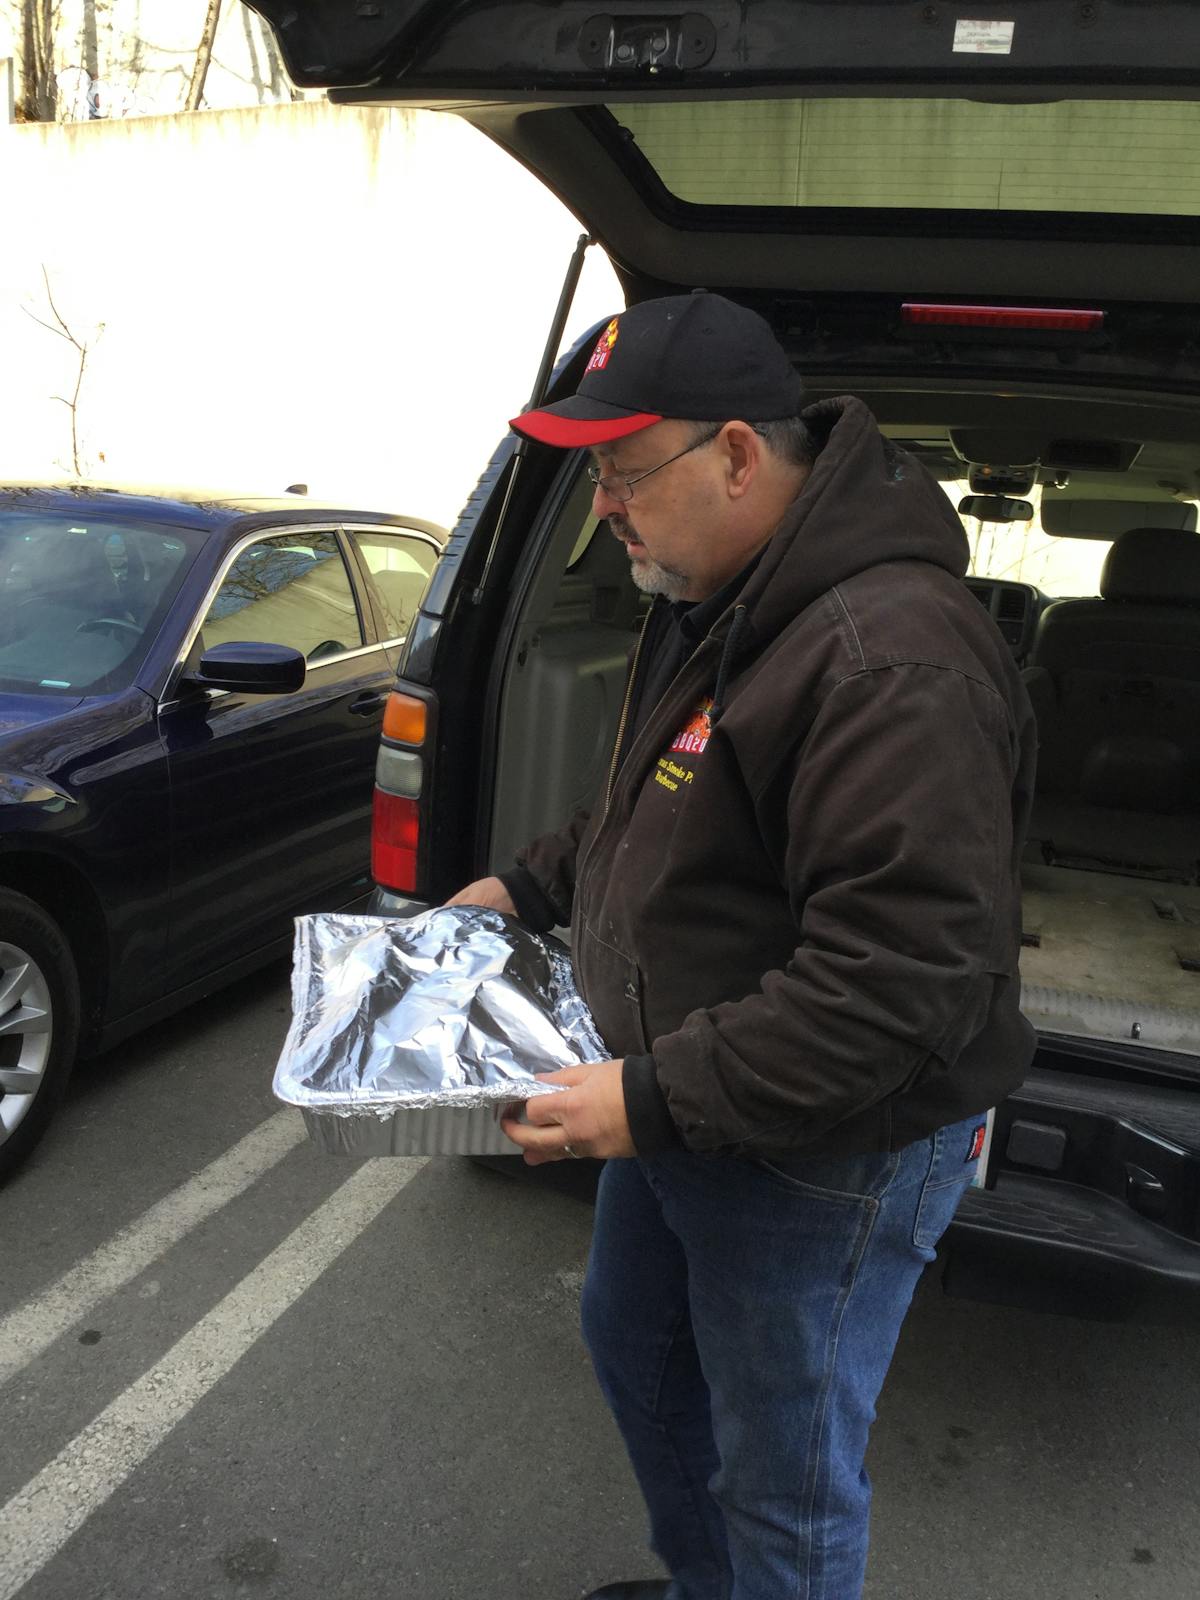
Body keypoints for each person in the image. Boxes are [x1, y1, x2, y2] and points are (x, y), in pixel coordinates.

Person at [447, 292, 1037, 1600]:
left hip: (824, 1148)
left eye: (622, 470)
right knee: (639, 1349)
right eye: (591, 475)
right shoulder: (717, 597)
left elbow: (900, 985)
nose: (604, 507)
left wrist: (646, 1100)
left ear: (733, 454)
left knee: (785, 1474)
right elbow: (654, 809)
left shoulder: (888, 657)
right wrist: (523, 888)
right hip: (688, 1105)